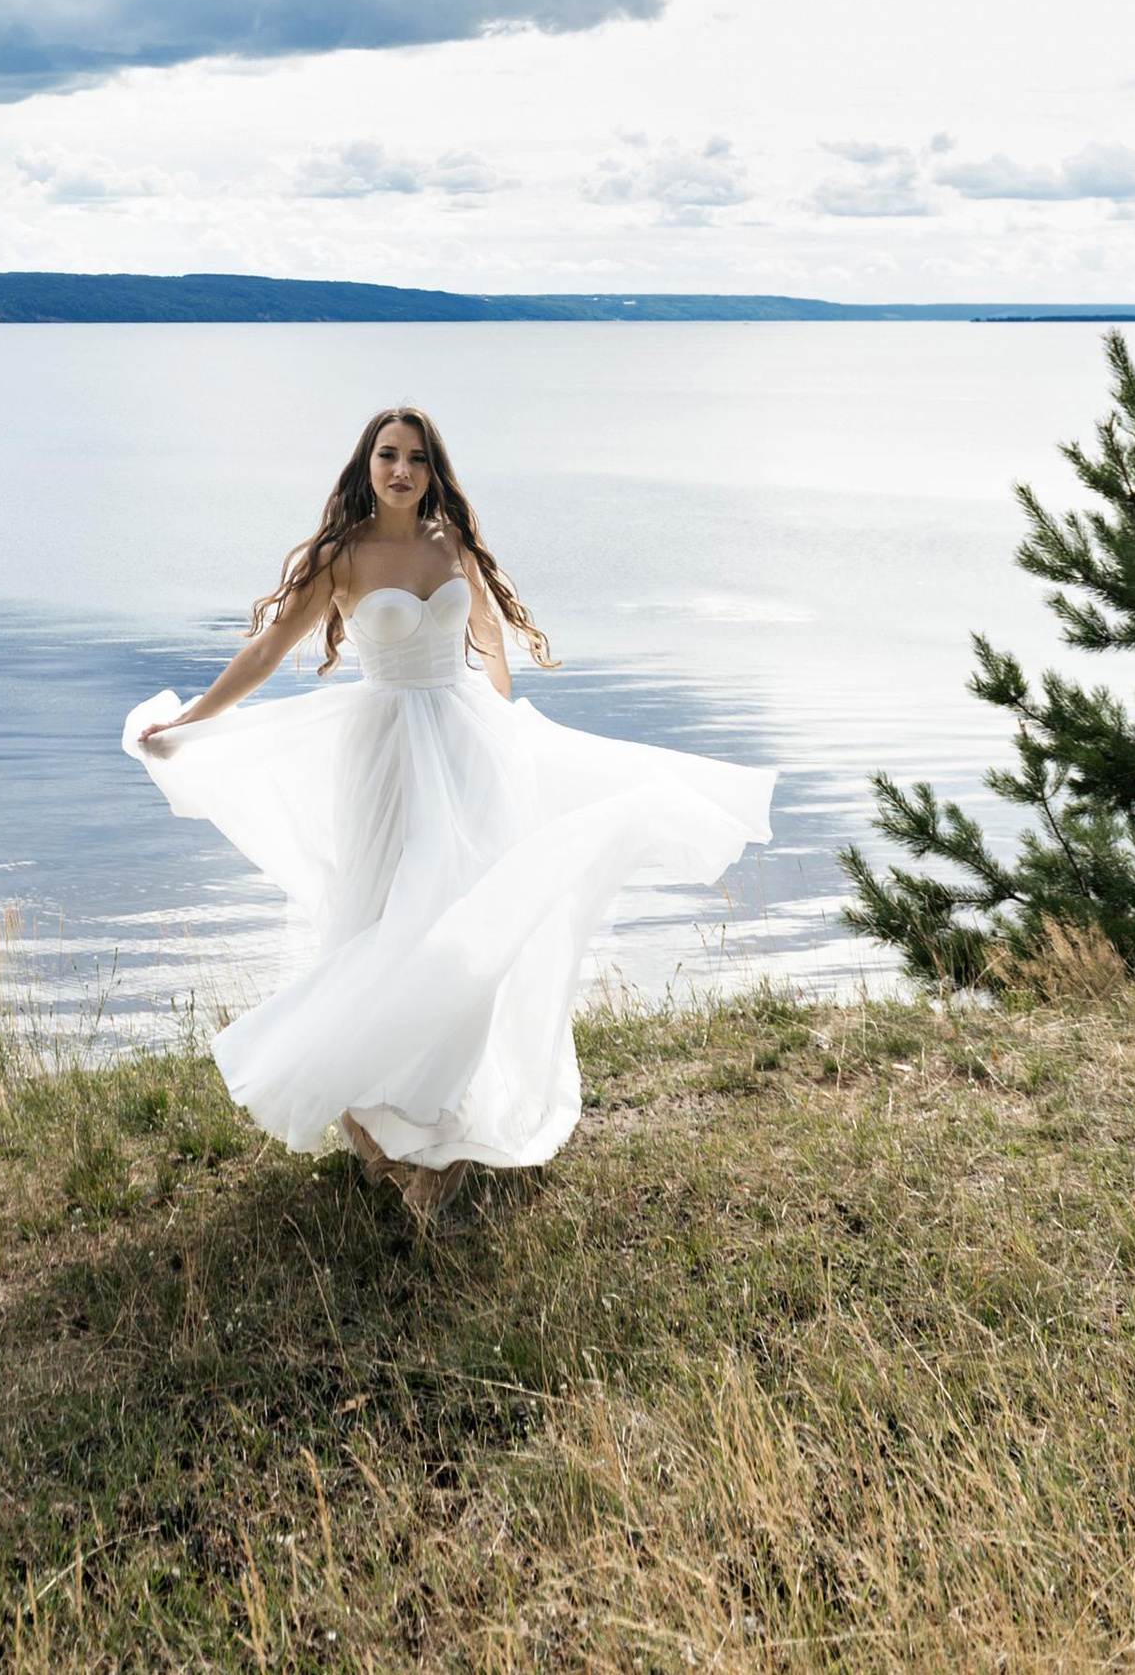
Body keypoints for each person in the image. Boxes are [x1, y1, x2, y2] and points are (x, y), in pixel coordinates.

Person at [128, 403, 774, 1206]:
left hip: (469, 746)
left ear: (434, 471)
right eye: (389, 455)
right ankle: (373, 1116)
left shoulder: (451, 542)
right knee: (382, 924)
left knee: (468, 924)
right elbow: (268, 648)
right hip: (385, 754)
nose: (402, 471)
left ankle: (441, 1131)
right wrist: (192, 717)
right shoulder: (343, 555)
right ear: (366, 465)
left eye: (418, 459)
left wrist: (501, 734)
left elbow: (493, 649)